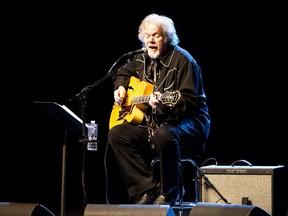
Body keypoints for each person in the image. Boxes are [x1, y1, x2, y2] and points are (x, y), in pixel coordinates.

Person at [108, 13, 210, 206]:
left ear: (167, 38)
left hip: (189, 124)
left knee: (164, 134)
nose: (151, 40)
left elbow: (188, 99)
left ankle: (170, 193)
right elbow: (121, 73)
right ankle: (145, 189)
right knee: (118, 133)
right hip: (155, 122)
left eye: (156, 35)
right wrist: (120, 87)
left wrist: (164, 104)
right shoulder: (140, 59)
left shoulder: (183, 60)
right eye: (147, 36)